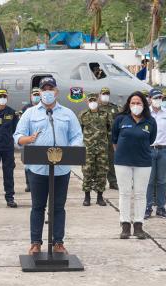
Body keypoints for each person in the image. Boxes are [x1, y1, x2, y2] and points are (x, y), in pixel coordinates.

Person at [13, 77, 83, 255]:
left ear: (56, 92)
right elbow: (17, 136)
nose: (47, 92)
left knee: (58, 207)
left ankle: (58, 242)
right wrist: (28, 139)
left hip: (61, 169)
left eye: (50, 89)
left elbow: (77, 136)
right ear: (40, 92)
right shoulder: (30, 113)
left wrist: (72, 150)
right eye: (44, 89)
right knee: (38, 207)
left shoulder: (67, 113)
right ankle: (35, 242)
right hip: (38, 168)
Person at [112, 91, 157, 239]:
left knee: (140, 194)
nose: (135, 106)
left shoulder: (150, 122)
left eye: (138, 103)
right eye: (133, 103)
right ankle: (125, 225)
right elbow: (114, 140)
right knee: (124, 193)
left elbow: (151, 139)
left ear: (144, 105)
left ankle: (138, 225)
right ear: (128, 105)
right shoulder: (120, 119)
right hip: (122, 162)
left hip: (143, 162)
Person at [145, 89, 166, 219]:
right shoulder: (146, 114)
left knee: (162, 181)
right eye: (155, 97)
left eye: (160, 97)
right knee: (150, 181)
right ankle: (147, 207)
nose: (158, 100)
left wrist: (162, 143)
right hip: (149, 149)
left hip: (164, 149)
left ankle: (161, 208)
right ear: (150, 98)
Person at [80, 93, 109, 206]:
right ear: (87, 102)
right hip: (88, 149)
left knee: (101, 173)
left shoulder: (105, 114)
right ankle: (87, 197)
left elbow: (108, 128)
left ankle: (100, 197)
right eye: (90, 100)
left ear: (98, 101)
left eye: (94, 100)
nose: (93, 102)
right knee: (87, 172)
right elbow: (80, 130)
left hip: (102, 149)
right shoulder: (83, 115)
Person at [20, 87, 42, 192]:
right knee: (28, 164)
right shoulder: (26, 108)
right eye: (34, 94)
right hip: (28, 140)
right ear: (31, 96)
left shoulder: (44, 108)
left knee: (40, 163)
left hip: (40, 140)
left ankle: (38, 183)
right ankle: (28, 184)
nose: (36, 96)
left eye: (38, 94)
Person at [99, 87, 119, 190]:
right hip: (100, 138)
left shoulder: (114, 108)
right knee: (100, 161)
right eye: (103, 94)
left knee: (112, 160)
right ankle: (100, 182)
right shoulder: (97, 108)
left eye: (107, 94)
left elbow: (118, 122)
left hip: (111, 137)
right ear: (100, 95)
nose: (105, 95)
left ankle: (113, 182)